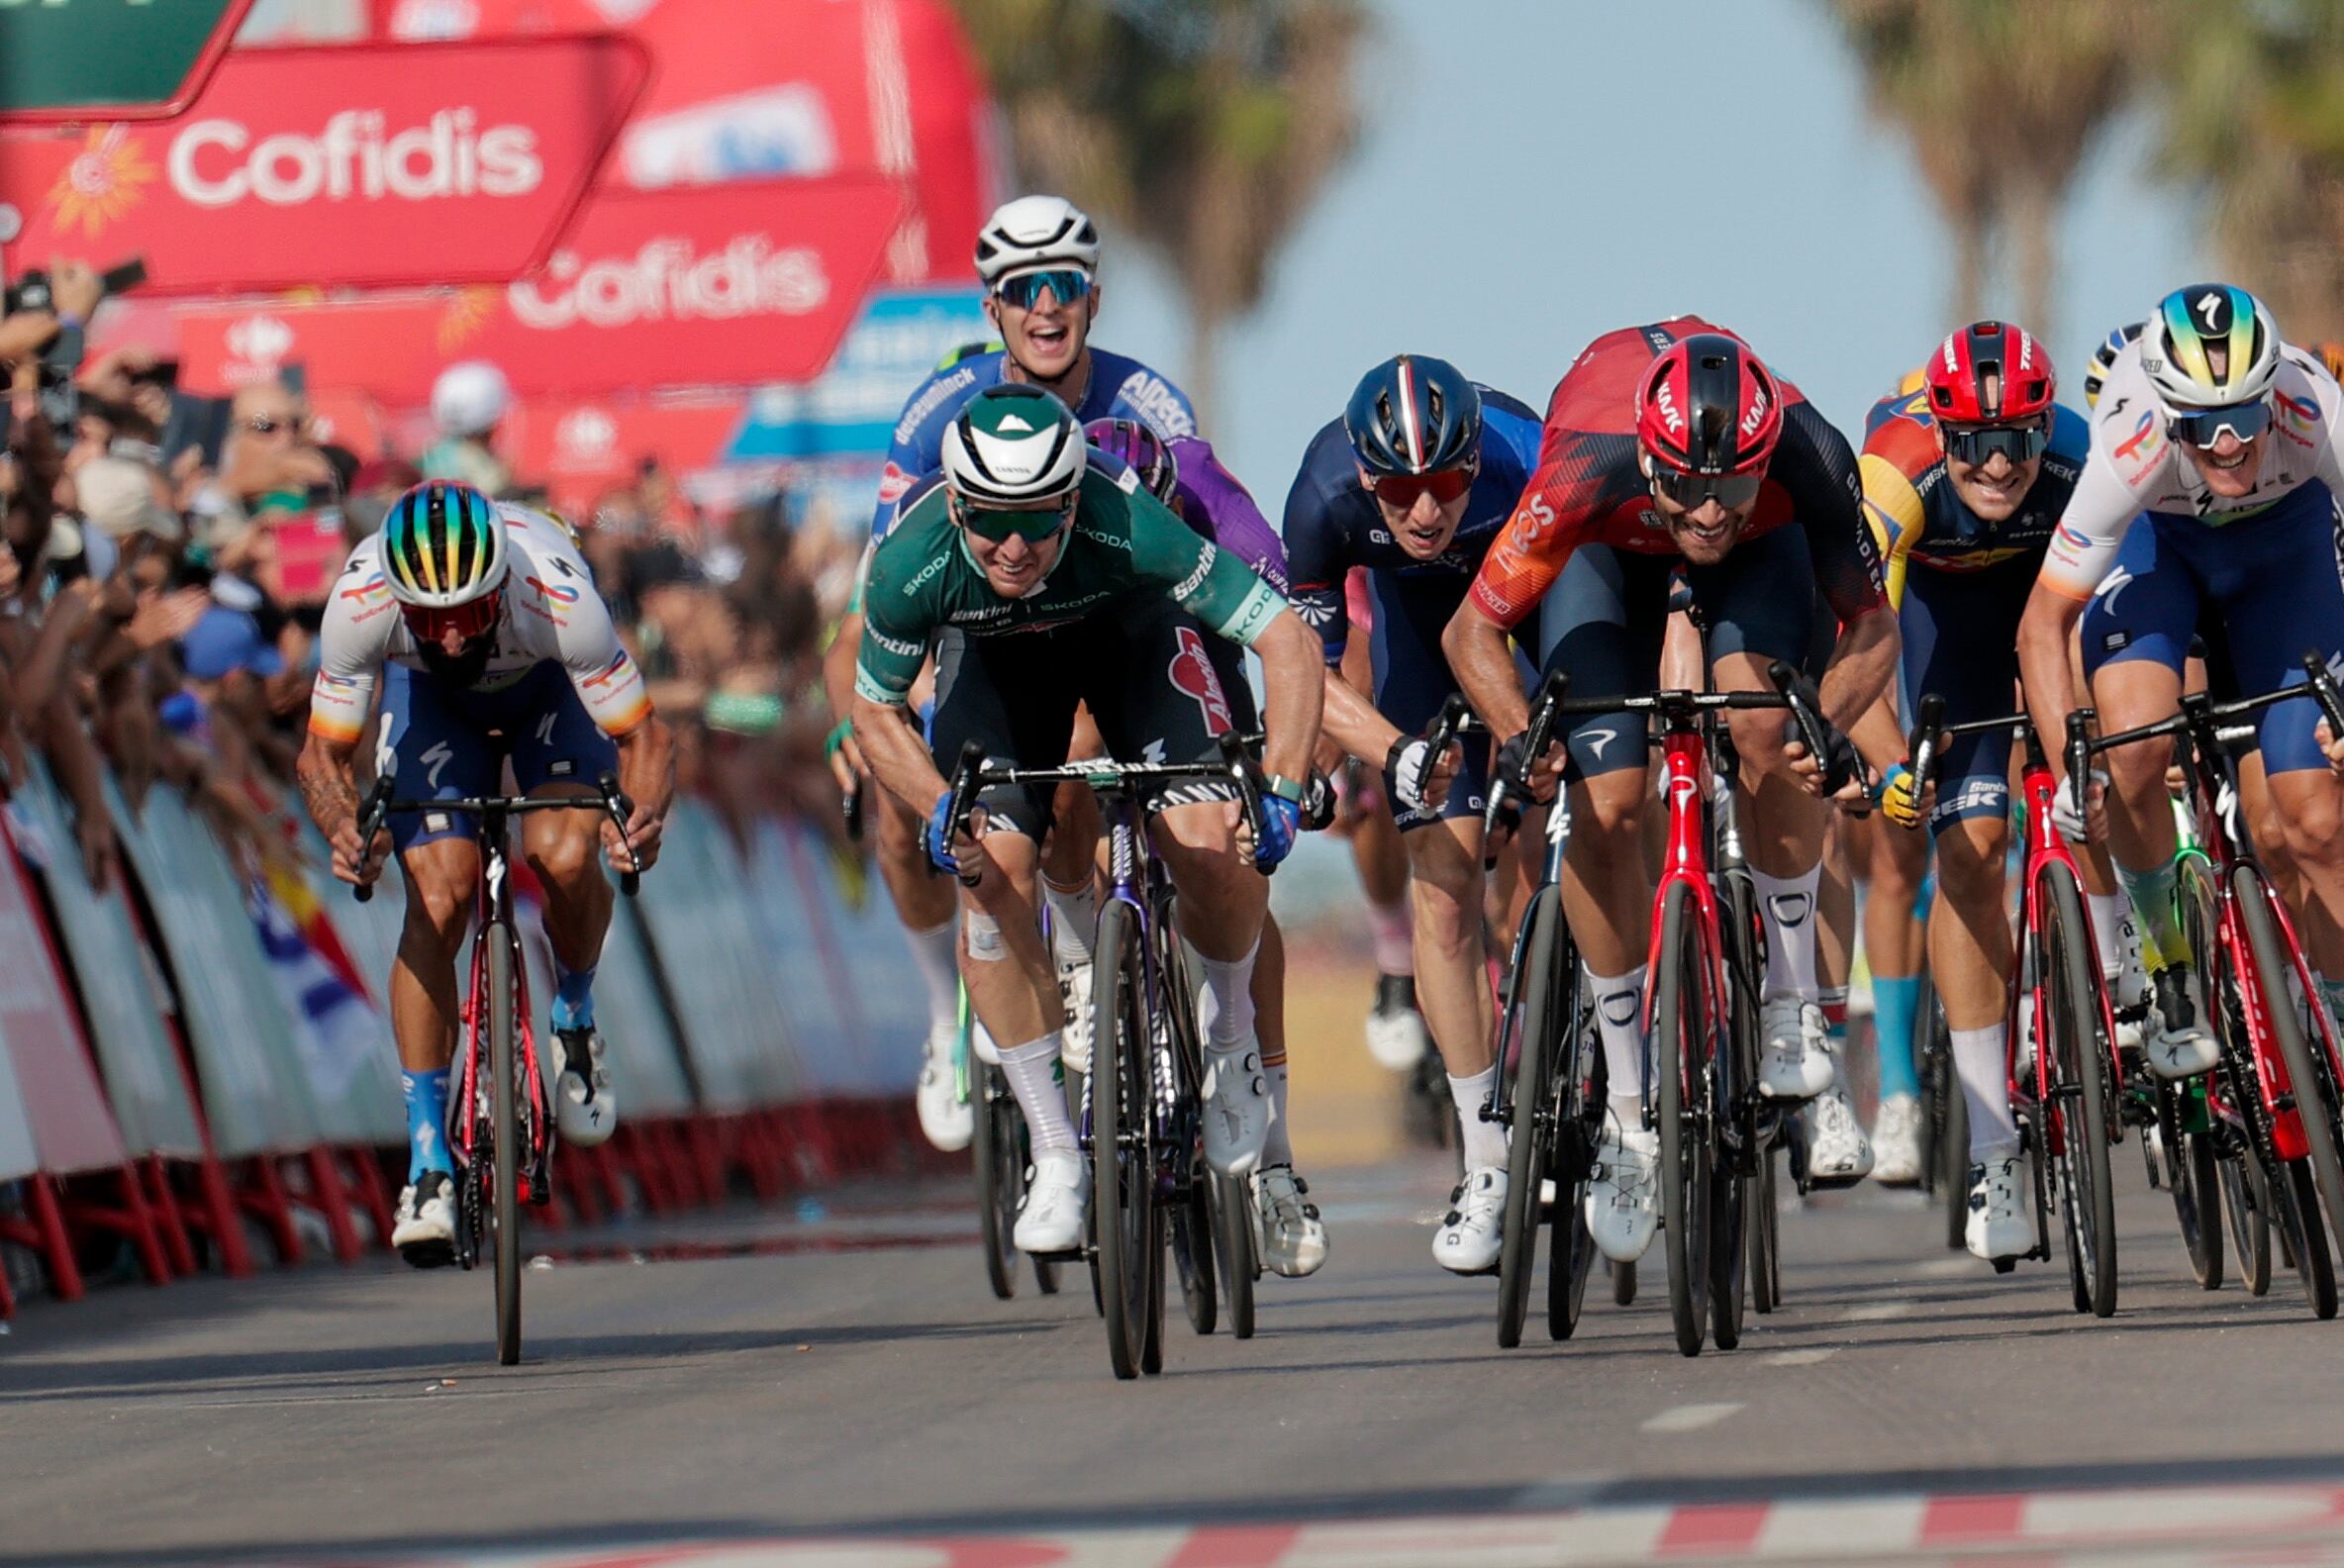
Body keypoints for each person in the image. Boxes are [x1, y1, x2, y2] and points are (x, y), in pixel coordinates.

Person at [1442, 322, 1900, 1268]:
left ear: (1762, 458)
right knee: (1608, 802)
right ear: (1650, 457)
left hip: (1764, 566)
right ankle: (1623, 1115)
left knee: (1767, 729)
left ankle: (1788, 1003)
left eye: (1731, 482)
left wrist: (1827, 723)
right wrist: (1520, 737)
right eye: (1686, 484)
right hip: (1607, 557)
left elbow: (1872, 628)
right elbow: (1472, 636)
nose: (1706, 509)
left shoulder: (1807, 455)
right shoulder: (1584, 462)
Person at [848, 385, 1322, 1253]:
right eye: (992, 522)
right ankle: (1059, 1153)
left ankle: (1231, 1037)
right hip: (995, 669)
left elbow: (1286, 640)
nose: (1017, 547)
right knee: (986, 878)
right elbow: (873, 714)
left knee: (1212, 838)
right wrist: (935, 808)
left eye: (1040, 519)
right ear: (955, 503)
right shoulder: (911, 560)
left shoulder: (1128, 521)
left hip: (1129, 635)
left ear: (1074, 498)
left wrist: (1283, 789)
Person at [824, 194, 1199, 1154]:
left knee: (1084, 772)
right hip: (975, 632)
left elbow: (1195, 562)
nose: (1044, 306)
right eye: (1020, 289)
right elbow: (886, 593)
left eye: (1061, 285)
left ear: (1091, 299)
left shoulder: (1146, 403)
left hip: (1110, 636)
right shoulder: (936, 411)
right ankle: (944, 1009)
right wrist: (871, 728)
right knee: (898, 809)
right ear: (992, 307)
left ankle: (1093, 959)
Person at [296, 480, 676, 1266]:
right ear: (399, 599)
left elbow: (646, 739)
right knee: (438, 898)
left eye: (468, 615)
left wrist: (638, 821)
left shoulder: (558, 596)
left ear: (501, 582)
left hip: (549, 695)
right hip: (431, 706)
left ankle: (573, 1013)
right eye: (431, 620)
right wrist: (342, 828)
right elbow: (324, 755)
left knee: (564, 854)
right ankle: (429, 1161)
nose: (452, 638)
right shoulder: (362, 599)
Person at [2018, 283, 2344, 1070]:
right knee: (2131, 752)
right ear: (2169, 412)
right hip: (2160, 546)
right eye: (2202, 426)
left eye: (2243, 418)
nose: (2228, 443)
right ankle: (2165, 967)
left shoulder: (2318, 413)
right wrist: (2072, 774)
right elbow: (2041, 625)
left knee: (2311, 821)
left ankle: (2333, 1012)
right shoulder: (2131, 441)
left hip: (2286, 549)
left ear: (2274, 398)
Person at [1282, 353, 1542, 1272]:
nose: (1426, 511)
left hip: (1532, 610)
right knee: (1445, 891)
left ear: (1475, 463)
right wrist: (1379, 756)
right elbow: (1305, 667)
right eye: (1399, 489)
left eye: (1444, 484)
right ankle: (1485, 1163)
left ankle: (1606, 1067)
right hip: (1417, 637)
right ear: (1363, 474)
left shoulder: (1527, 463)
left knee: (1571, 819)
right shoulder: (1320, 496)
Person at [1854, 322, 2093, 1260]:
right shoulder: (1893, 473)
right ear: (1941, 437)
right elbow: (1859, 640)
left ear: (2045, 430)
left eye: (2017, 442)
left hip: (2047, 606)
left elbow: (2123, 607)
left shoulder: (2080, 454)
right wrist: (1890, 766)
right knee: (1971, 847)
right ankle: (1993, 1151)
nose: (1996, 466)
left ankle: (2132, 975)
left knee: (2109, 768)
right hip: (1939, 628)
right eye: (1974, 447)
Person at [1086, 416, 1328, 1275]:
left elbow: (1293, 641)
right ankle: (1093, 975)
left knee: (1234, 869)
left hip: (1198, 650)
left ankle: (1277, 1160)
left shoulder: (1203, 489)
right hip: (1091, 649)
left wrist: (1291, 771)